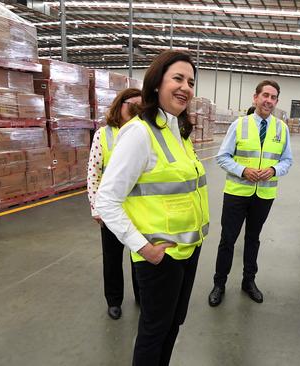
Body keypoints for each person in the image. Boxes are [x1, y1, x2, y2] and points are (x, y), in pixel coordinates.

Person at [95, 51, 209, 366]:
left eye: (190, 81)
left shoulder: (177, 131)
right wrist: (144, 248)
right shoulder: (139, 133)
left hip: (187, 251)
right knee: (154, 331)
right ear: (156, 83)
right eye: (178, 78)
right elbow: (106, 199)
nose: (185, 87)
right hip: (161, 257)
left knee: (172, 325)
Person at [208, 80, 293, 307]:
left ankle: (249, 281)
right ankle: (219, 284)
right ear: (255, 97)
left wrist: (274, 170)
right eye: (265, 95)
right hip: (237, 192)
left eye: (273, 97)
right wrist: (242, 170)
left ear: (276, 102)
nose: (269, 100)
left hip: (264, 196)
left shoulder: (281, 129)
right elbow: (222, 157)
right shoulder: (239, 125)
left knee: (253, 239)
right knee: (228, 239)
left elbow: (287, 161)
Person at [87, 88, 142, 320]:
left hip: (139, 209)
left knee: (139, 255)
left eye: (142, 107)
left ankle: (141, 296)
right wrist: (96, 208)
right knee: (112, 257)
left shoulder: (144, 133)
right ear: (120, 105)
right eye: (133, 105)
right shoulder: (104, 135)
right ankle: (114, 300)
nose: (137, 110)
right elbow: (93, 173)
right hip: (111, 209)